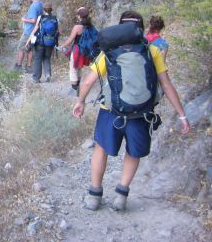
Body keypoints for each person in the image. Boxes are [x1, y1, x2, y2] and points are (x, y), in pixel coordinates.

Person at [72, 11, 190, 212]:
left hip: (111, 111)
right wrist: (182, 114)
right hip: (142, 113)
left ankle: (94, 195)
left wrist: (80, 101)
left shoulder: (108, 51)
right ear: (141, 28)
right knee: (133, 152)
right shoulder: (151, 51)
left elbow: (89, 81)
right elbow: (166, 84)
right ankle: (121, 195)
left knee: (101, 148)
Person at [58, 7, 96, 93]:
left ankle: (74, 89)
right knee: (79, 68)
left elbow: (70, 40)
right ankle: (78, 87)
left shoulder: (77, 27)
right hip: (86, 51)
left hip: (77, 50)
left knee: (73, 69)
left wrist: (62, 46)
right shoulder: (91, 26)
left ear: (79, 16)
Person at [28, 1, 58, 83]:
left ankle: (36, 78)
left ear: (43, 9)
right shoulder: (55, 18)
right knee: (47, 58)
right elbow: (58, 31)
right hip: (50, 42)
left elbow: (35, 29)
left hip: (40, 42)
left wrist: (29, 39)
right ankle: (48, 74)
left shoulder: (40, 17)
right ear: (51, 10)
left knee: (38, 59)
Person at [15, 0, 43, 72]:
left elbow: (33, 20)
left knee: (21, 47)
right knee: (30, 48)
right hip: (36, 31)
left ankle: (18, 66)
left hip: (29, 31)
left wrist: (24, 19)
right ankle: (29, 66)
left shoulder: (33, 6)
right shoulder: (40, 3)